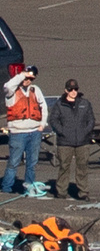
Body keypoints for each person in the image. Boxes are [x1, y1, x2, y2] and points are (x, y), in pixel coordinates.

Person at [2, 66, 48, 195]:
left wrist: (42, 125)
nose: (27, 81)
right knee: (14, 162)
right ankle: (6, 188)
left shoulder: (35, 90)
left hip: (34, 132)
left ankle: (29, 187)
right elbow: (7, 86)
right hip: (18, 133)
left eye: (30, 78)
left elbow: (43, 107)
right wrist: (22, 75)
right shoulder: (12, 90)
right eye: (26, 78)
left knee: (32, 163)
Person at [48, 78, 95, 201]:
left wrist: (85, 132)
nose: (73, 91)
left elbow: (91, 120)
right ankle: (61, 191)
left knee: (82, 167)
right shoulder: (59, 104)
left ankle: (83, 192)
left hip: (82, 142)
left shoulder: (85, 103)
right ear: (66, 90)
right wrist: (62, 132)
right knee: (64, 166)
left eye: (75, 89)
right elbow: (53, 120)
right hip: (65, 142)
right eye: (70, 89)